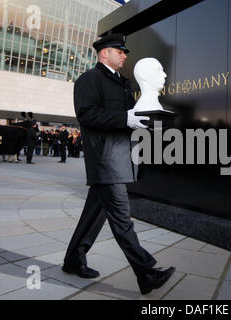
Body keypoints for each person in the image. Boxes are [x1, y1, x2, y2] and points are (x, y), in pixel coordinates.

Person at [62, 32, 175, 295]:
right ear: (104, 53)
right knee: (122, 218)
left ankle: (73, 260)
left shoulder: (122, 83)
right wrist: (125, 119)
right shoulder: (89, 80)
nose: (125, 55)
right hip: (104, 159)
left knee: (94, 214)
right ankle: (146, 273)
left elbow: (132, 117)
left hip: (120, 157)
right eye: (120, 51)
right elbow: (88, 115)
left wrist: (147, 124)